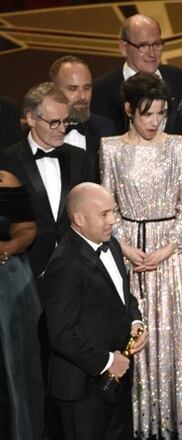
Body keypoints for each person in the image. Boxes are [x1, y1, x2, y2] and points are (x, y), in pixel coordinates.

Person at [101, 72, 182, 438]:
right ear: (129, 110)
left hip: (169, 255)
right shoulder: (111, 147)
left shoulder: (177, 145)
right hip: (129, 251)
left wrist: (167, 248)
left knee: (169, 337)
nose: (154, 122)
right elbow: (108, 204)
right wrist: (126, 247)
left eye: (160, 114)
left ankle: (172, 419)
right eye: (147, 113)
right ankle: (136, 421)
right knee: (133, 334)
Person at [39, 182, 148, 440]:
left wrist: (135, 320)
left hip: (116, 380)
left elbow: (123, 296)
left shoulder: (111, 245)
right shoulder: (65, 263)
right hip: (83, 390)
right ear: (78, 218)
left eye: (113, 211)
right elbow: (62, 334)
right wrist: (109, 361)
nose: (113, 220)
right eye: (104, 214)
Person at [3, 82, 94, 277]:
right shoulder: (7, 162)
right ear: (31, 119)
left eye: (65, 121)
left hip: (74, 267)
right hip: (26, 271)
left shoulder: (79, 158)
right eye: (54, 122)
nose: (62, 129)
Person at [0, 164, 44, 440]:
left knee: (12, 371)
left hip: (6, 285)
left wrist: (7, 248)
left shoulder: (5, 180)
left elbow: (26, 229)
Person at [92, 14, 182, 135]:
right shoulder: (101, 89)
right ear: (123, 47)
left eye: (157, 44)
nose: (152, 53)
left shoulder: (179, 78)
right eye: (143, 46)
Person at [50, 56, 116, 182]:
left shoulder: (106, 129)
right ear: (54, 89)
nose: (82, 97)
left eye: (87, 88)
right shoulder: (41, 130)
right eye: (73, 89)